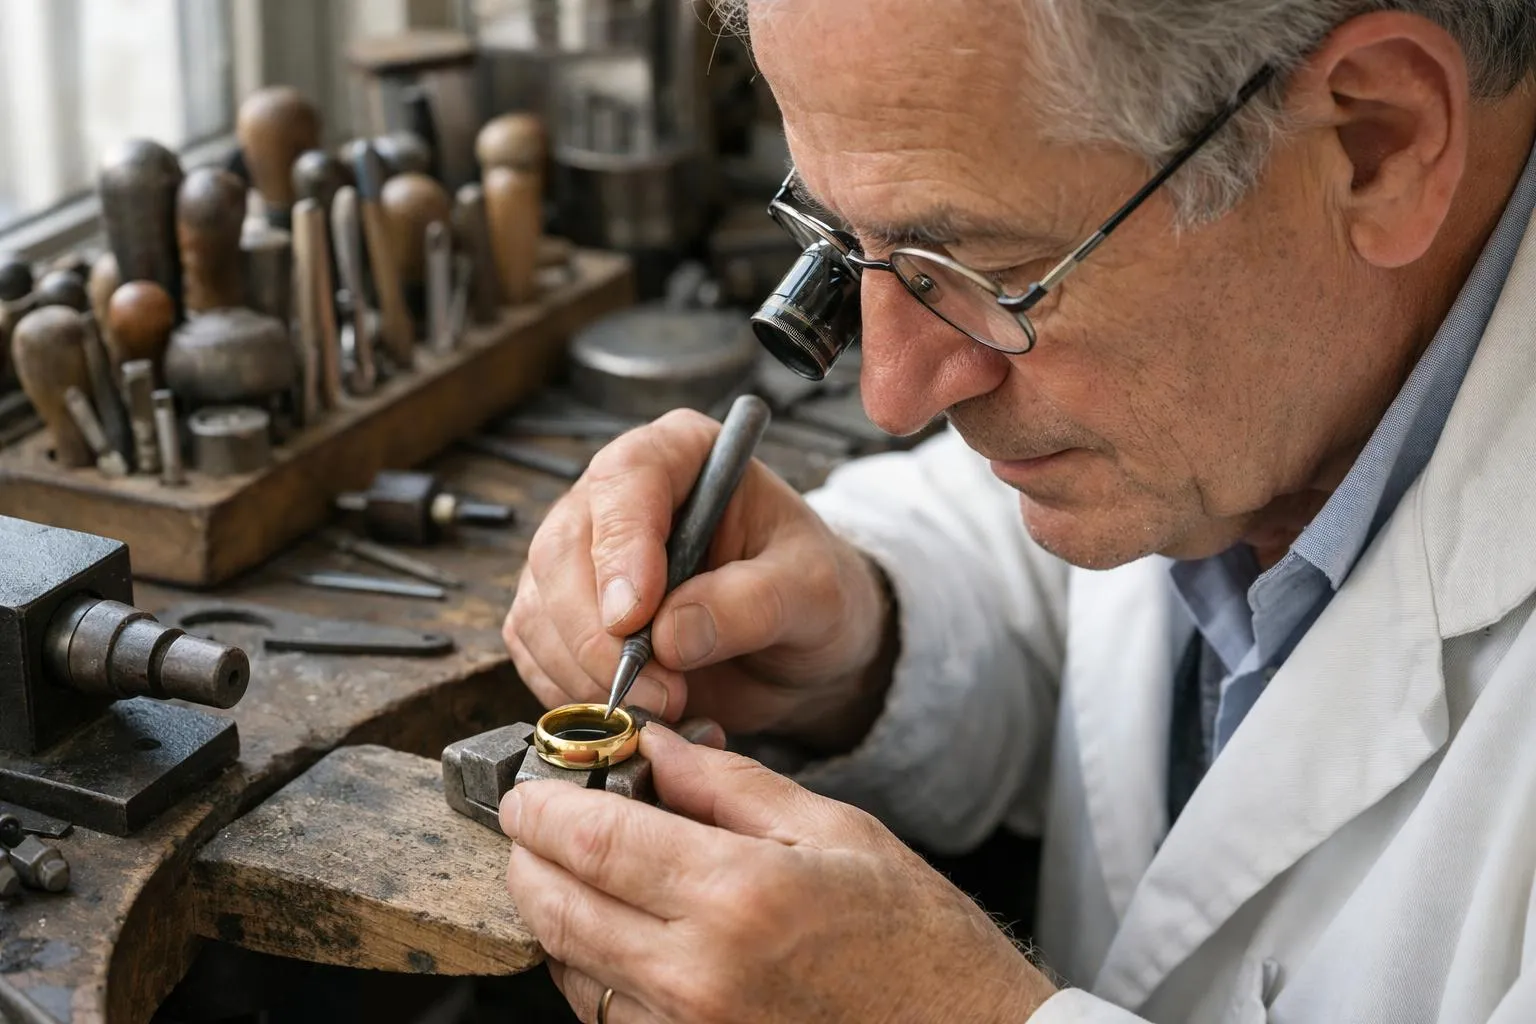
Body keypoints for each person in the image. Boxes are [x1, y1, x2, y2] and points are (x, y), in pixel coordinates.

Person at [498, 0, 1536, 1020]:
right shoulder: (1247, 405)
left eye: (984, 273)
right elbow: (1062, 609)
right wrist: (863, 637)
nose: (891, 395)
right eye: (844, 245)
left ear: (1377, 143)